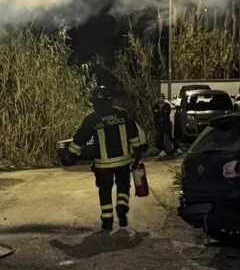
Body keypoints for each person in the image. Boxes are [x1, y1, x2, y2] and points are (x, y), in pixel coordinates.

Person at [67, 86, 146, 231]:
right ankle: (122, 207)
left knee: (105, 190)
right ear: (110, 100)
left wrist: (70, 155)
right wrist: (138, 152)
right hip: (123, 161)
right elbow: (134, 134)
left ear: (95, 102)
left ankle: (107, 220)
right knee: (123, 186)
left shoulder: (92, 119)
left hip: (103, 165)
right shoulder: (122, 114)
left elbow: (80, 138)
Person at [152, 93, 174, 158]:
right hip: (158, 125)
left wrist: (160, 112)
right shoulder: (155, 106)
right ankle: (161, 150)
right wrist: (161, 113)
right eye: (159, 97)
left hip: (166, 124)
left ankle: (169, 150)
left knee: (167, 136)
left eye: (161, 97)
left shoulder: (167, 105)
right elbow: (155, 113)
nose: (160, 99)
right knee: (159, 137)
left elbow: (166, 113)